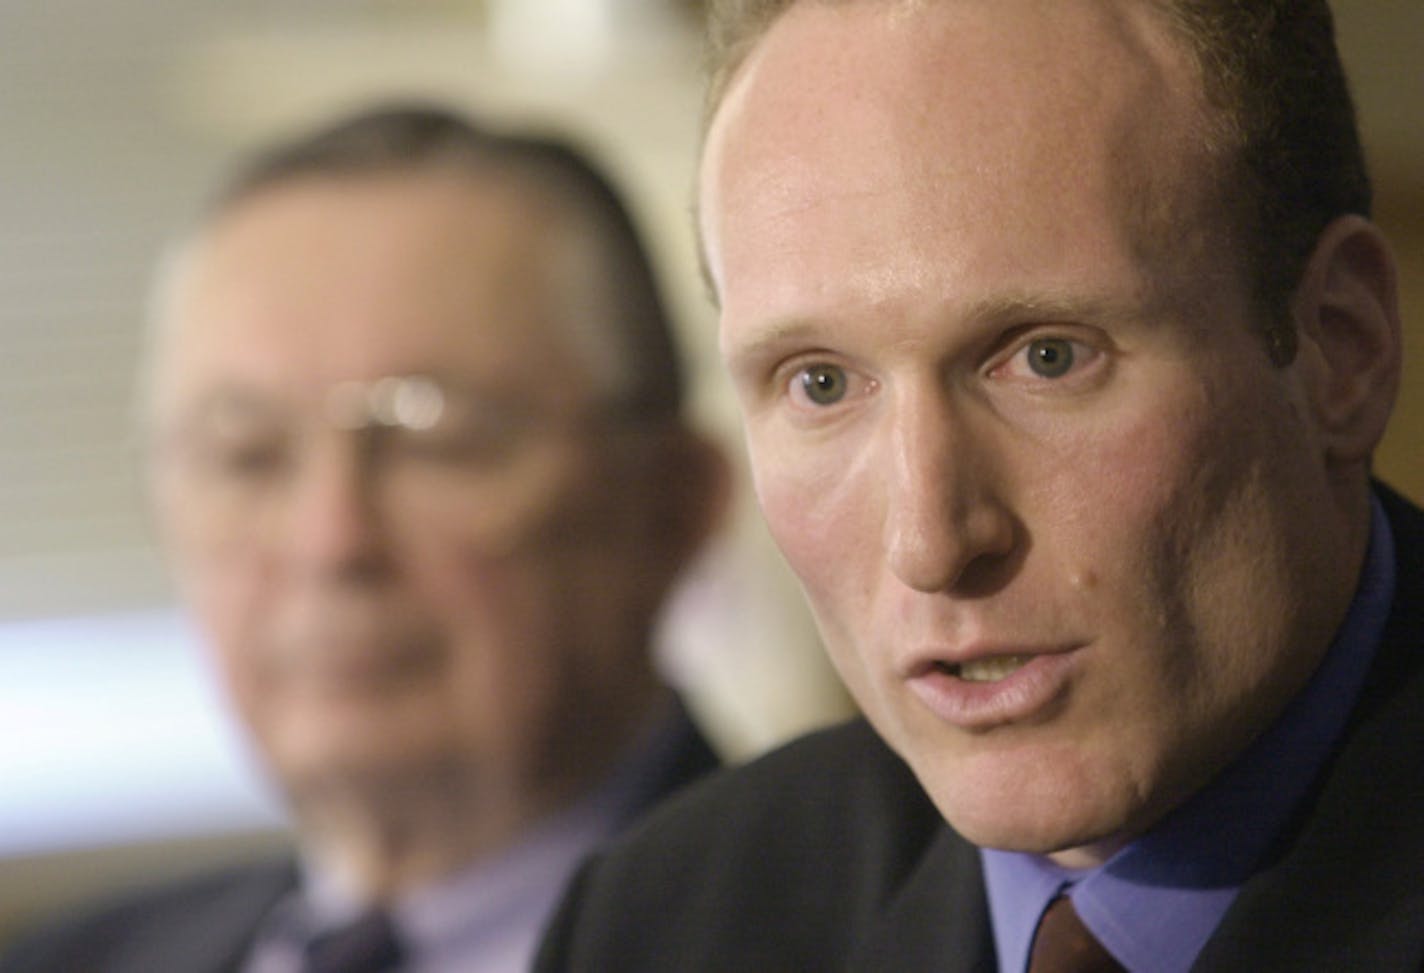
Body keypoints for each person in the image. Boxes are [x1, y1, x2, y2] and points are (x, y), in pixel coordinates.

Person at [534, 1, 1424, 970]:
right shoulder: (664, 920)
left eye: (1046, 358)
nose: (930, 539)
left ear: (1343, 348)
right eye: (820, 383)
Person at [0, 104, 729, 973]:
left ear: (672, 506)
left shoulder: (869, 937)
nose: (332, 541)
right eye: (246, 455)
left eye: (438, 441)